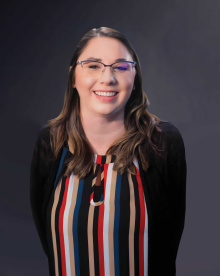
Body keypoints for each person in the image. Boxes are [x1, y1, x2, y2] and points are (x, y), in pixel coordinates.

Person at [30, 27, 187, 276]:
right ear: (73, 77)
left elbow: (168, 247)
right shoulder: (50, 143)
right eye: (93, 65)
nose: (107, 78)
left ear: (134, 77)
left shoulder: (163, 143)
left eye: (121, 67)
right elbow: (50, 244)